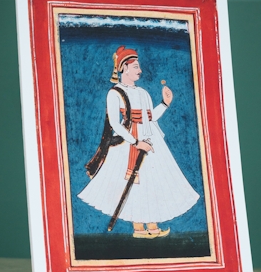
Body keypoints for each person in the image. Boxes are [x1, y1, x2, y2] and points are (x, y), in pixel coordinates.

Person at [78, 45, 199, 238]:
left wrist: (165, 103)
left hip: (149, 139)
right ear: (124, 67)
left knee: (152, 181)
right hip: (128, 144)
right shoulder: (115, 93)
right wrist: (135, 142)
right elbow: (115, 125)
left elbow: (150, 118)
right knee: (134, 182)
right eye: (135, 67)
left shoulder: (143, 93)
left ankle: (151, 225)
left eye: (138, 67)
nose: (140, 71)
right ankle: (138, 227)